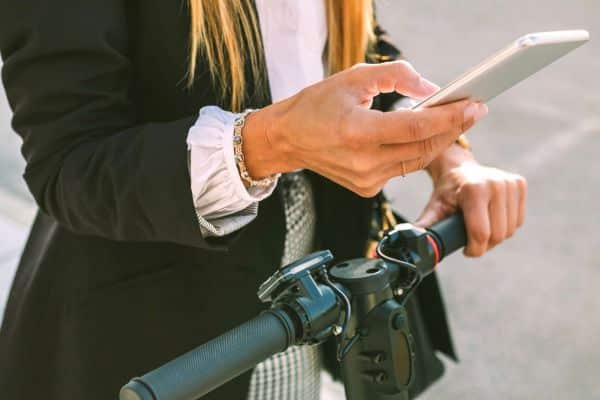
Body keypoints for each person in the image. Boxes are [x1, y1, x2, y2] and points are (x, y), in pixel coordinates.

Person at [0, 1, 527, 399]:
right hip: (155, 345)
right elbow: (72, 163)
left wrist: (448, 154)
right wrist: (274, 141)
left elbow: (357, 43)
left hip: (310, 316)